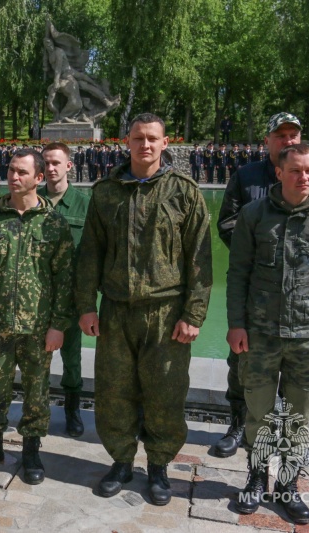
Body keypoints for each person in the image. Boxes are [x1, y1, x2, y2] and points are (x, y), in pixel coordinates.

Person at [75, 113, 212, 505]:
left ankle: (158, 465)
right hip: (116, 310)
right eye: (138, 139)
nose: (145, 145)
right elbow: (90, 255)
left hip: (166, 312)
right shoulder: (106, 192)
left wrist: (194, 314)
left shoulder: (184, 192)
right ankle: (121, 461)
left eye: (153, 139)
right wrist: (86, 306)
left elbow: (200, 258)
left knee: (164, 393)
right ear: (127, 142)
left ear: (165, 143)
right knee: (114, 391)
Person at [227, 144, 309, 523]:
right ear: (279, 173)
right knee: (258, 413)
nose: (304, 177)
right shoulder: (253, 215)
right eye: (296, 170)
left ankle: (287, 485)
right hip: (260, 335)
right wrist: (236, 324)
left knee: (299, 417)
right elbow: (239, 274)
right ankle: (254, 477)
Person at [214, 112, 309, 458]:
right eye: (280, 135)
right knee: (241, 366)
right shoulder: (246, 175)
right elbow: (227, 221)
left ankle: (284, 440)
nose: (287, 141)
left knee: (298, 379)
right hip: (258, 288)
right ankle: (238, 425)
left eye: (293, 135)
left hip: (303, 300)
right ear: (268, 140)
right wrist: (260, 248)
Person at [0, 148, 74, 485]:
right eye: (10, 170)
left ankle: (31, 450)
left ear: (39, 178)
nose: (13, 177)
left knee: (37, 392)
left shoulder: (54, 224)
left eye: (22, 172)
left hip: (38, 328)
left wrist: (57, 326)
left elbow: (65, 279)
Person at [37, 142, 89, 437]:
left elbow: (93, 254)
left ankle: (72, 409)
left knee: (72, 359)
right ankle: (38, 408)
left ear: (69, 166)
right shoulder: (32, 200)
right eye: (46, 163)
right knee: (37, 359)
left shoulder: (84, 203)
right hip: (37, 297)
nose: (51, 168)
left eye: (56, 163)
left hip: (71, 299)